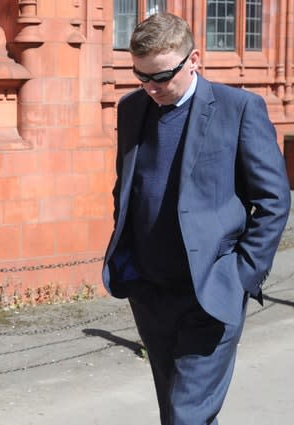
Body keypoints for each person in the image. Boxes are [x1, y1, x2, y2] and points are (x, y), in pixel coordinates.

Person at [102, 13, 291, 425]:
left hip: (211, 290)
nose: (152, 87)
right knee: (177, 410)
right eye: (142, 77)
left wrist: (241, 274)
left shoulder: (238, 108)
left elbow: (274, 199)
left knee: (187, 415)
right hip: (149, 291)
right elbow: (127, 187)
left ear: (195, 59)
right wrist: (129, 263)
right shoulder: (132, 108)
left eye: (163, 76)